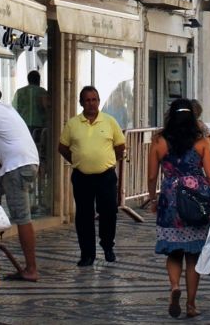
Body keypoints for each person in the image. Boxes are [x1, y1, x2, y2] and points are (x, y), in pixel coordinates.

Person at [144, 98, 210, 319]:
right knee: (193, 255)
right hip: (196, 200)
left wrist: (154, 199)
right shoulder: (201, 142)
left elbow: (152, 175)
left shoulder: (158, 141)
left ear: (170, 116)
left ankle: (175, 286)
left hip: (170, 199)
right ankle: (191, 304)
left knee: (174, 251)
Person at [0, 79, 41, 282]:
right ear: (0, 93)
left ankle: (31, 269)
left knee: (22, 217)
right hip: (20, 165)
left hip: (16, 168)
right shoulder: (7, 108)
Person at [58, 85, 126, 266]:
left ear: (98, 101)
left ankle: (107, 245)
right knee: (84, 216)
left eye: (94, 99)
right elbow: (62, 147)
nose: (91, 103)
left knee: (109, 212)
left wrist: (109, 160)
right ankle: (87, 254)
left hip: (106, 177)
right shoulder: (72, 124)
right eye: (87, 100)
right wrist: (79, 160)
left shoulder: (110, 121)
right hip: (82, 177)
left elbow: (120, 146)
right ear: (81, 103)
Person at [12, 69, 49, 149]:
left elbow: (14, 108)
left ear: (28, 80)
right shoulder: (43, 92)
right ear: (39, 80)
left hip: (23, 124)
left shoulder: (20, 92)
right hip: (40, 125)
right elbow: (47, 108)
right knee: (37, 147)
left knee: (25, 146)